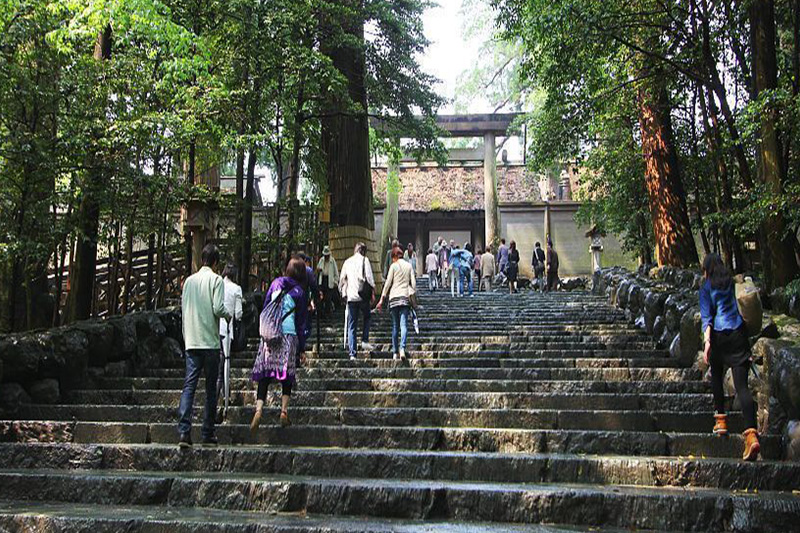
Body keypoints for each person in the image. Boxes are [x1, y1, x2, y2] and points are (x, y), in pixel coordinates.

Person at [700, 253, 760, 461]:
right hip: (738, 335)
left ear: (706, 270)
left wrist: (707, 343)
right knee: (742, 387)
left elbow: (707, 318)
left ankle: (721, 421)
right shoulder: (733, 283)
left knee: (716, 375)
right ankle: (751, 436)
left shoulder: (706, 288)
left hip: (719, 336)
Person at [178, 244, 231, 448]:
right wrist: (228, 315)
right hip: (209, 341)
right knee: (210, 388)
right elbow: (217, 308)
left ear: (202, 260)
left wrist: (186, 336)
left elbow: (184, 309)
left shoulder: (189, 282)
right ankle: (207, 432)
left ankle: (184, 432)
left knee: (189, 385)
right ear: (216, 262)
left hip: (192, 340)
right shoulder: (216, 280)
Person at [250, 255, 306, 432]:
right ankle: (283, 411)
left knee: (265, 375)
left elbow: (266, 306)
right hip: (288, 335)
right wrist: (302, 348)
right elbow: (301, 322)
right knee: (287, 375)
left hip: (271, 333)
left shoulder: (275, 284)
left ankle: (259, 409)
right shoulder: (299, 292)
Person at [377, 247, 416, 360]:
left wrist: (381, 299)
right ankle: (402, 348)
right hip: (404, 298)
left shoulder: (393, 266)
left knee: (395, 326)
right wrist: (412, 294)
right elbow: (413, 283)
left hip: (394, 298)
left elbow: (388, 283)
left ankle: (395, 352)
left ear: (394, 256)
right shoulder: (409, 266)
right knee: (403, 325)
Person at [339, 242, 376, 360]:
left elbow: (342, 280)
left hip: (351, 297)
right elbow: (369, 278)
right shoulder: (365, 260)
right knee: (367, 317)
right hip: (363, 296)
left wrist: (343, 294)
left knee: (352, 325)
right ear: (363, 251)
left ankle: (352, 354)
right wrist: (373, 292)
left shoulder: (347, 262)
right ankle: (364, 340)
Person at [217, 264, 243, 420]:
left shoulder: (216, 284)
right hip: (227, 329)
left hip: (213, 329)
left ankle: (218, 400)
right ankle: (224, 401)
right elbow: (238, 313)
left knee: (217, 366)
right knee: (225, 364)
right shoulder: (236, 289)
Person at [316, 246, 339, 317]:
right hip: (322, 280)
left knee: (328, 299)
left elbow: (336, 272)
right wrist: (319, 270)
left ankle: (328, 314)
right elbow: (317, 268)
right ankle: (321, 314)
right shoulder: (321, 260)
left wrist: (335, 281)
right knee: (321, 298)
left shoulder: (332, 261)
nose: (326, 257)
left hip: (329, 281)